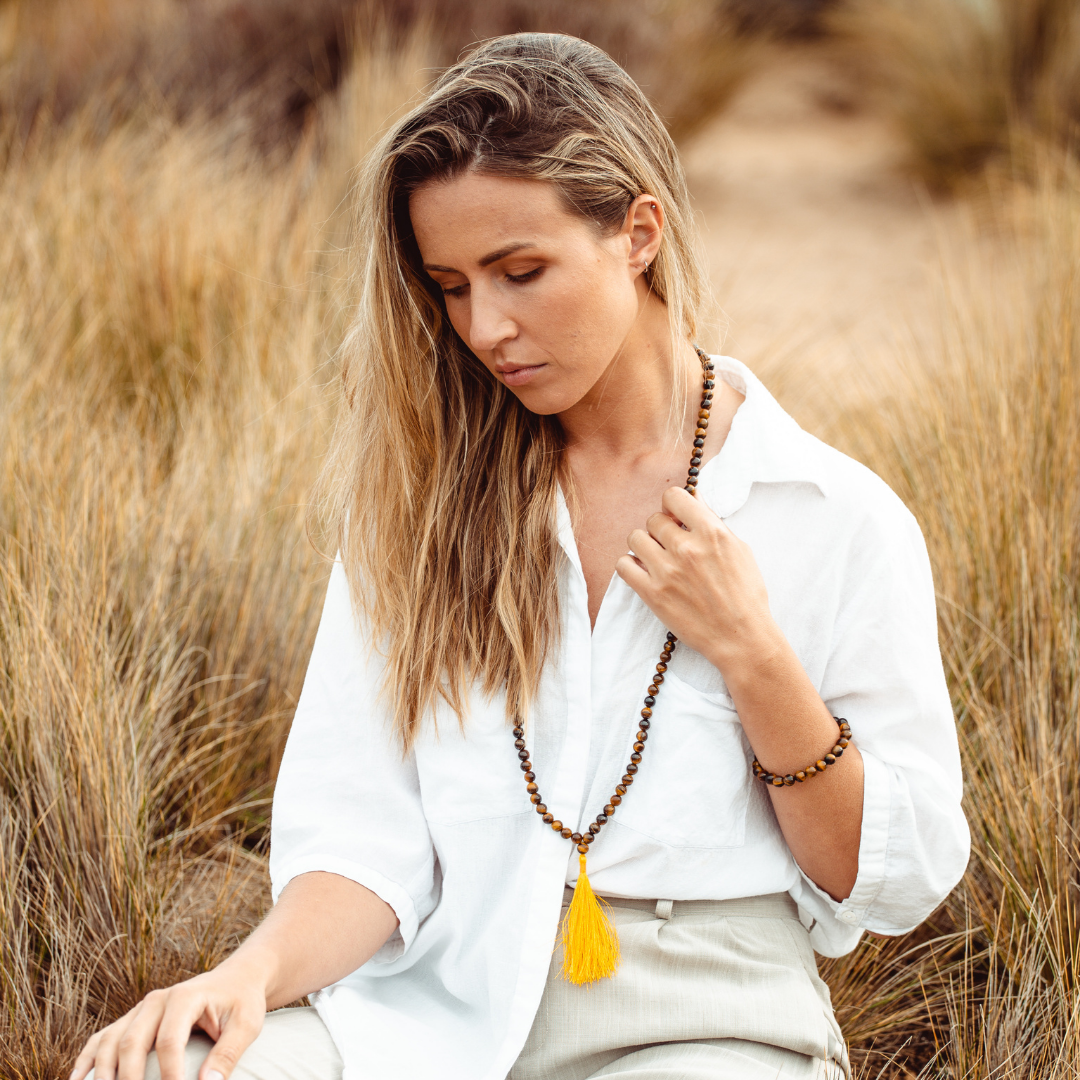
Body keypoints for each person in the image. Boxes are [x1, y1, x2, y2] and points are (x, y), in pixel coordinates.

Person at [72, 32, 970, 1080]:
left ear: (638, 233)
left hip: (705, 1029)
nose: (487, 326)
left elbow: (891, 880)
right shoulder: (418, 513)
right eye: (450, 286)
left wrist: (755, 655)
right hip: (429, 1016)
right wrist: (247, 977)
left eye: (522, 271)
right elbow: (364, 845)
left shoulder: (834, 516)